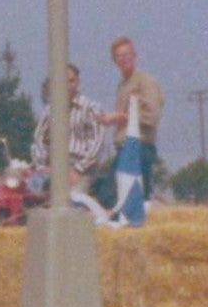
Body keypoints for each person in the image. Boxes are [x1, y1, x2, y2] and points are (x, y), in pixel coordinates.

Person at [32, 63, 115, 216]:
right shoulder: (51, 109)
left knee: (74, 203)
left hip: (81, 168)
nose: (68, 85)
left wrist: (78, 170)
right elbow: (39, 138)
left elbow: (97, 143)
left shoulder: (90, 107)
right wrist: (42, 166)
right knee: (33, 198)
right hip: (54, 166)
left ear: (77, 82)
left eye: (71, 81)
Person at [101, 36, 164, 228]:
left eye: (127, 54)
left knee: (128, 197)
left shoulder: (145, 82)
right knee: (115, 196)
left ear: (135, 55)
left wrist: (119, 118)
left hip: (139, 147)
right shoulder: (123, 84)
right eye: (119, 56)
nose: (124, 59)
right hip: (124, 148)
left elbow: (151, 116)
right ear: (114, 60)